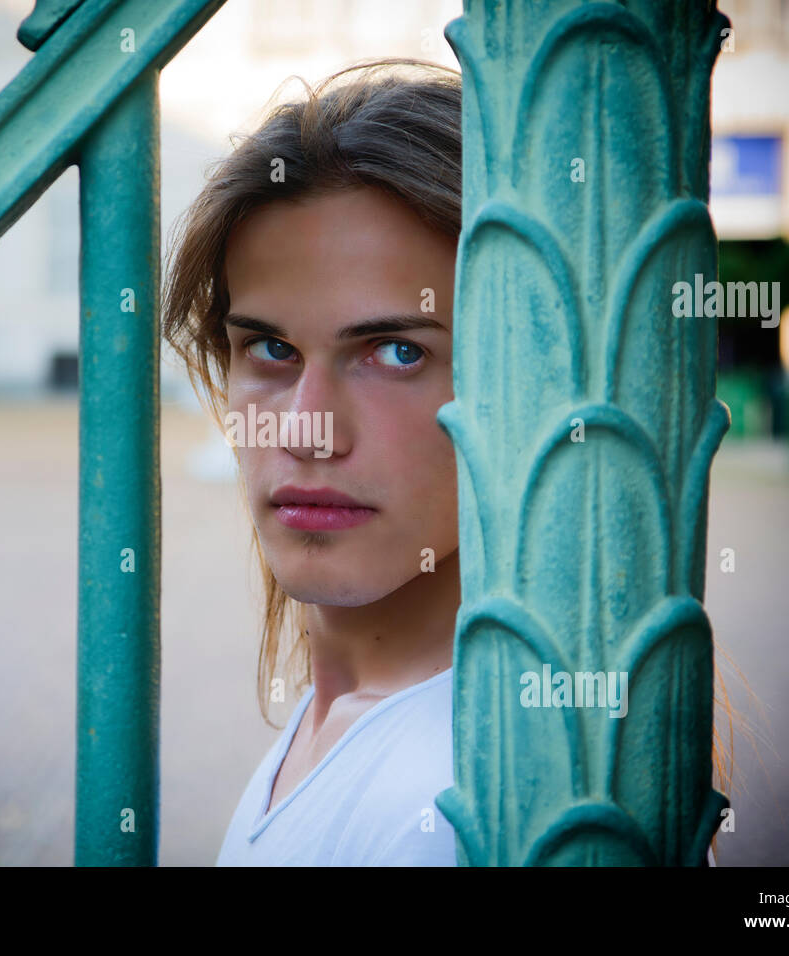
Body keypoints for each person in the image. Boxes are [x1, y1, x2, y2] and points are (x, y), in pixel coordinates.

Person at [162, 57, 724, 866]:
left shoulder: (466, 802)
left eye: (395, 351)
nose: (308, 429)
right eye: (272, 348)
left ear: (531, 382)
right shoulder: (354, 718)